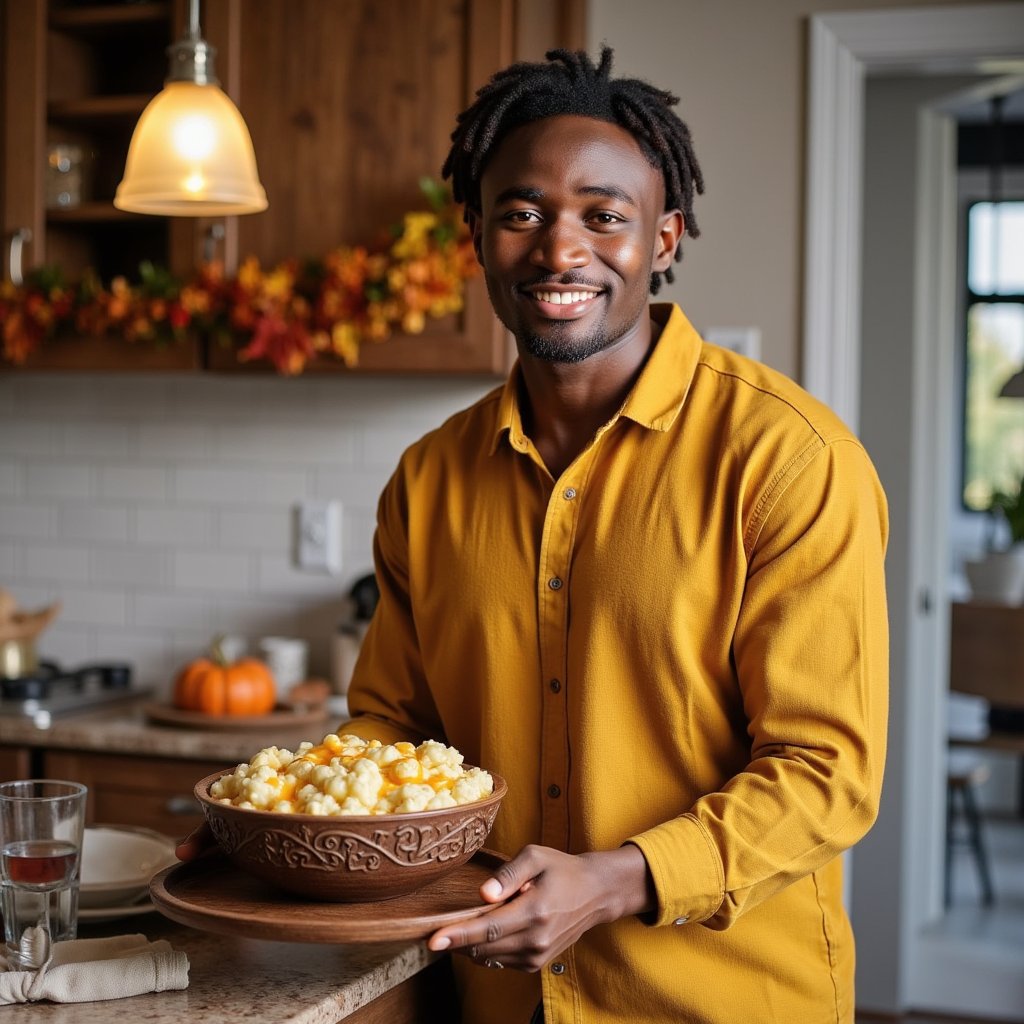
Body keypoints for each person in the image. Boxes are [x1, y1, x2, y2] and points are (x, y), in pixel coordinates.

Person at [181, 47, 889, 1024]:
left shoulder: (787, 459)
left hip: (719, 1001)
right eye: (522, 213)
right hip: (493, 996)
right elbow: (394, 728)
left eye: (604, 216)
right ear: (476, 237)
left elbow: (827, 773)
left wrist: (617, 879)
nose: (560, 250)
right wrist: (288, 822)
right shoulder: (429, 480)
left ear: (665, 237)